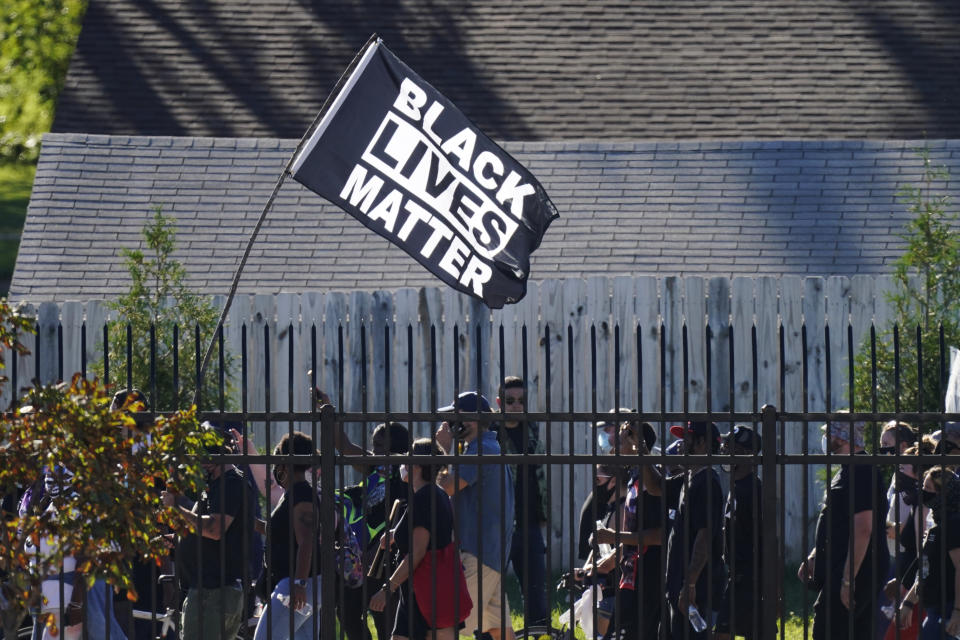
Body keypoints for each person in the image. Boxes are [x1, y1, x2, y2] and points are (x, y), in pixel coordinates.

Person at [797, 415, 890, 640]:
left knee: (828, 629)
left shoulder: (861, 471)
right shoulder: (848, 469)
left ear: (843, 437)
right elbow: (837, 521)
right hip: (845, 567)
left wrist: (848, 580)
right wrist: (815, 555)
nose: (826, 439)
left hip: (856, 570)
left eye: (830, 434)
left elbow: (863, 529)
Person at [369, 438, 471, 640]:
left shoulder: (425, 498)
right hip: (419, 591)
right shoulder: (435, 494)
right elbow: (428, 532)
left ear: (417, 464)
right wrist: (395, 535)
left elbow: (417, 552)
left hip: (427, 592)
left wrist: (387, 589)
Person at [435, 391, 515, 640]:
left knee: (447, 625)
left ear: (471, 420)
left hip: (478, 554)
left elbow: (448, 485)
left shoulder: (481, 450)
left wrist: (445, 450)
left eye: (455, 418)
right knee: (500, 631)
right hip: (489, 553)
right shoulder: (484, 447)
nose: (449, 425)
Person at [161, 428, 255, 640]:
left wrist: (177, 508)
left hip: (214, 593)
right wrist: (178, 540)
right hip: (207, 591)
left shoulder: (231, 484)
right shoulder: (215, 486)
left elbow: (214, 530)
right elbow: (205, 530)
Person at [641, 421, 725, 640]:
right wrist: (641, 451)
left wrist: (690, 584)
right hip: (679, 589)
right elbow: (656, 486)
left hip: (696, 592)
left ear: (702, 443)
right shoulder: (689, 479)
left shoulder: (707, 483)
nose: (680, 444)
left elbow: (704, 538)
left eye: (686, 438)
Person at [593, 420, 663, 640]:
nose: (614, 449)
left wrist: (613, 537)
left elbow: (659, 535)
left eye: (620, 441)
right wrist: (613, 559)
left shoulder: (652, 481)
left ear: (635, 444)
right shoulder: (634, 477)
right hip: (630, 577)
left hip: (649, 580)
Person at [490, 376, 549, 628]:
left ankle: (537, 632)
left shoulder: (532, 428)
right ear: (499, 401)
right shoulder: (490, 432)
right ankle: (492, 632)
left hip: (530, 520)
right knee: (491, 587)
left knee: (535, 588)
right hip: (499, 521)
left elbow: (540, 474)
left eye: (521, 401)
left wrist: (543, 512)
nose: (516, 406)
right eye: (510, 400)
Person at [252, 432, 323, 640]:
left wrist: (299, 584)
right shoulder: (294, 494)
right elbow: (286, 534)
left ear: (285, 462)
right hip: (303, 582)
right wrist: (255, 524)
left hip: (296, 583)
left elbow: (306, 541)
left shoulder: (301, 494)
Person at [896, 467, 960, 639]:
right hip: (934, 609)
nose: (923, 493)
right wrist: (909, 602)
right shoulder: (937, 522)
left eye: (929, 489)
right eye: (923, 487)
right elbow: (925, 569)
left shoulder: (953, 524)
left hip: (948, 610)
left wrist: (957, 611)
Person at [715, 424, 765, 640]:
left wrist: (775, 591)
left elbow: (767, 539)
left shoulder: (752, 489)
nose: (724, 451)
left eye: (730, 447)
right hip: (736, 576)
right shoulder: (737, 486)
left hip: (751, 579)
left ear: (746, 454)